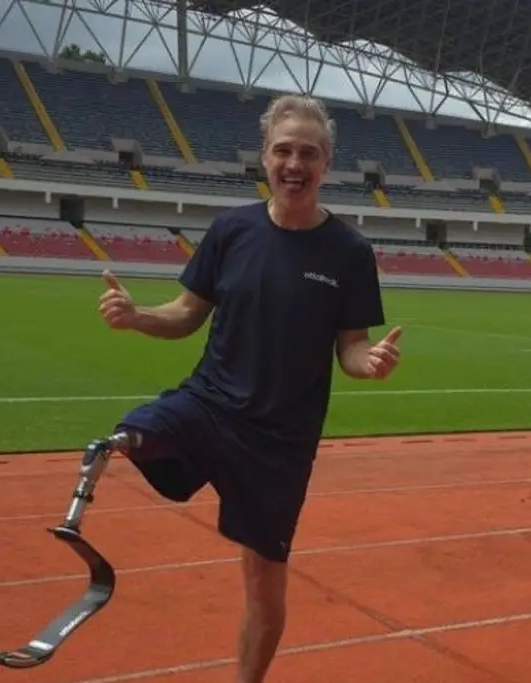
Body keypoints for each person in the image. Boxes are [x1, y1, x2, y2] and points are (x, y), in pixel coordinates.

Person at [95, 94, 403, 683]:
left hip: (280, 444)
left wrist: (373, 363)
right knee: (133, 432)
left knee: (263, 583)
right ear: (264, 158)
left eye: (307, 153)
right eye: (283, 150)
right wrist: (135, 315)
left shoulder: (350, 252)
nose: (295, 163)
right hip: (209, 405)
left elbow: (351, 348)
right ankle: (88, 488)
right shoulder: (230, 230)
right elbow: (186, 314)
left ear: (326, 163)